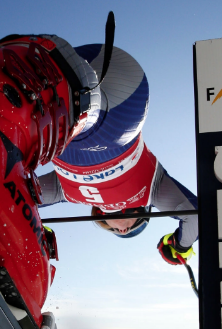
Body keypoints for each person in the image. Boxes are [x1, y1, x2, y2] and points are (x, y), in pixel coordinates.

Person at [38, 43, 197, 266]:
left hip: (56, 113)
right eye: (131, 227)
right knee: (93, 126)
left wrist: (34, 227)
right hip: (121, 102)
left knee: (30, 137)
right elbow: (195, 217)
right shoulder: (152, 189)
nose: (121, 228)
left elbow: (18, 197)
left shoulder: (69, 192)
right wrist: (181, 246)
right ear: (144, 213)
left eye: (114, 230)